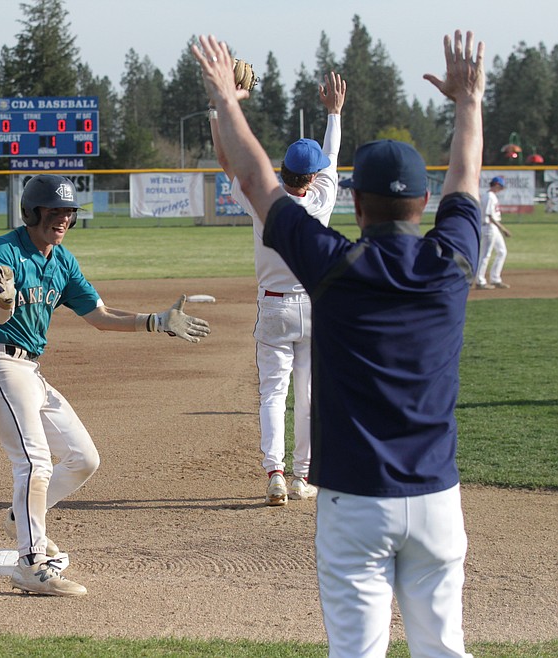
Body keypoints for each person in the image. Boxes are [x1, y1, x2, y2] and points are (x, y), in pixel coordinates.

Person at [193, 29, 483, 658]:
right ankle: (286, 467)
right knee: (445, 647)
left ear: (353, 202)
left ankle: (281, 469)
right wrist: (469, 104)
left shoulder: (334, 264)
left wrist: (226, 99)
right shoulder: (452, 264)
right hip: (436, 495)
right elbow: (466, 178)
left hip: (355, 500)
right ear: (425, 202)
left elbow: (253, 178)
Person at [0, 174, 210, 597]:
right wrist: (3, 299)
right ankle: (30, 564)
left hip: (30, 371)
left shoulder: (62, 262)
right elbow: (1, 314)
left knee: (83, 458)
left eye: (68, 212)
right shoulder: (4, 249)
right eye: (54, 210)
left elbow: (98, 314)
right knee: (34, 462)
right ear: (33, 211)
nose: (62, 219)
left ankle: (18, 516)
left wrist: (153, 322)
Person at [209, 71, 346, 506]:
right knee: (307, 396)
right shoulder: (322, 202)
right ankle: (305, 477)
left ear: (283, 171)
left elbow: (228, 160)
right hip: (316, 306)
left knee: (273, 392)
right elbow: (331, 156)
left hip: (274, 308)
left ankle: (276, 474)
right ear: (313, 177)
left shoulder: (263, 202)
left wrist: (224, 105)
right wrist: (334, 114)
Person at [475, 175, 512, 289]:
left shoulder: (492, 196)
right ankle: (480, 281)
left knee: (502, 252)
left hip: (493, 228)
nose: (501, 189)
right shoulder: (489, 197)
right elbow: (489, 216)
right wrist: (503, 229)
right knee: (486, 255)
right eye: (500, 187)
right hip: (488, 228)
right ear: (496, 185)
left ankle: (495, 278)